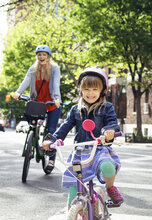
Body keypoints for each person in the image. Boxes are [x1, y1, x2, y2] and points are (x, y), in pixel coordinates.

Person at [42, 67, 124, 209]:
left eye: (94, 90)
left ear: (102, 91)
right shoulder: (75, 110)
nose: (90, 93)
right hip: (79, 151)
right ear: (80, 90)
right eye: (86, 89)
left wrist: (109, 131)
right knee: (74, 186)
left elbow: (112, 123)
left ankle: (110, 188)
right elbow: (65, 127)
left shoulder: (106, 107)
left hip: (98, 149)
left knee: (108, 167)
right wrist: (53, 140)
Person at [13, 45, 62, 173]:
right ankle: (32, 141)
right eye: (39, 55)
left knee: (51, 131)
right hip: (37, 103)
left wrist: (57, 98)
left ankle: (51, 160)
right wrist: (18, 92)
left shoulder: (55, 68)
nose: (41, 57)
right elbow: (26, 80)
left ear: (48, 56)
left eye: (44, 55)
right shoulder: (33, 69)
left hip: (52, 103)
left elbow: (56, 83)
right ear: (37, 56)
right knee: (32, 126)